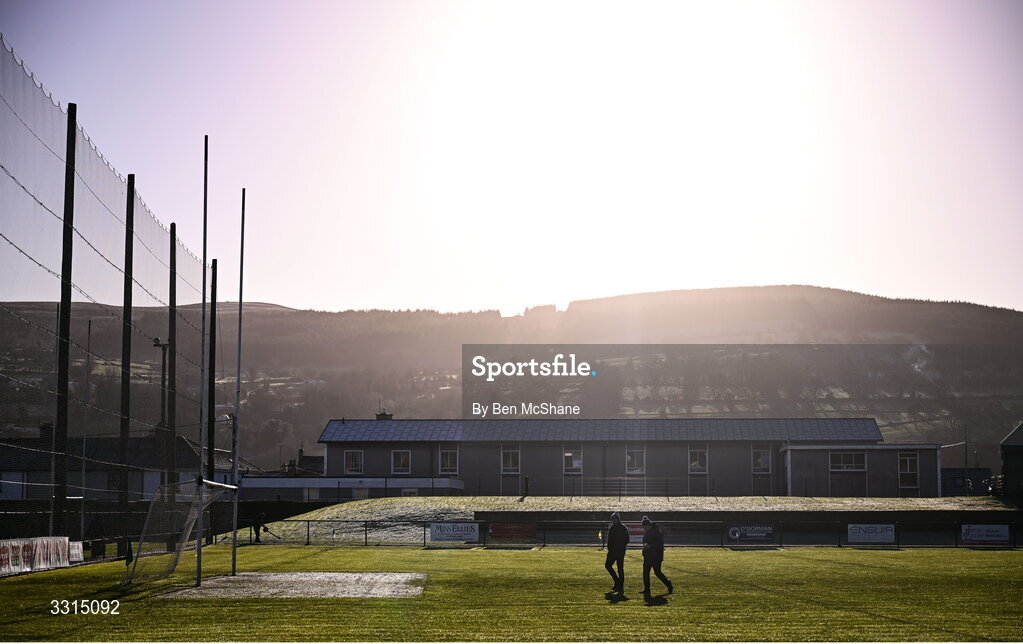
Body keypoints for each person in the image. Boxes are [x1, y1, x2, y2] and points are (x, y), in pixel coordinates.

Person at [641, 516, 673, 595]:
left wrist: (650, 546)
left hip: (655, 556)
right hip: (648, 555)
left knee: (657, 572)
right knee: (646, 572)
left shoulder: (657, 531)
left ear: (648, 525)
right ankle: (647, 589)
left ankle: (668, 584)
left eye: (645, 527)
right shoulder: (650, 531)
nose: (644, 529)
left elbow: (659, 543)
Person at [604, 512, 629, 592]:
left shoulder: (623, 528)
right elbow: (610, 540)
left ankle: (619, 584)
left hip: (619, 551)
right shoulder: (613, 528)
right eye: (613, 519)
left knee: (620, 568)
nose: (614, 521)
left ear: (618, 519)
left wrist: (620, 547)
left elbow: (626, 540)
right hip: (613, 551)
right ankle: (617, 582)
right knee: (608, 566)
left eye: (615, 519)